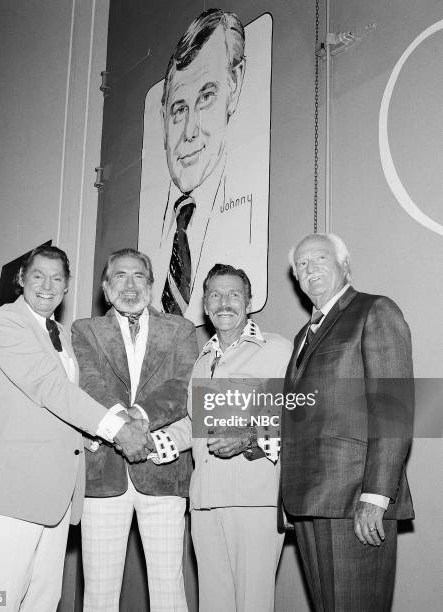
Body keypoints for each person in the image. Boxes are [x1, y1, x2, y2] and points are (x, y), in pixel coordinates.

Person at [0, 245, 148, 612]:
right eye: (38, 276)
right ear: (21, 280)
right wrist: (118, 430)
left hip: (56, 496)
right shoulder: (4, 323)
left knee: (44, 602)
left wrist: (98, 438)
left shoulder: (62, 334)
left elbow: (62, 412)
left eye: (57, 278)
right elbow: (50, 388)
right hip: (11, 493)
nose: (47, 285)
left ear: (66, 288)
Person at [281, 233, 414, 612]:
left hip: (355, 500)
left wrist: (375, 497)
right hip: (311, 502)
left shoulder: (375, 311)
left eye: (320, 259)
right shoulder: (301, 337)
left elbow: (395, 409)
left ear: (344, 266)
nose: (310, 269)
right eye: (301, 265)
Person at [159, 264, 292, 612]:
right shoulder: (202, 361)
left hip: (255, 501)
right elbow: (194, 424)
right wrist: (153, 442)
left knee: (253, 605)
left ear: (248, 301)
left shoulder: (277, 350)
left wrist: (249, 435)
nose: (225, 302)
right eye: (215, 294)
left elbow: (301, 413)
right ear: (205, 306)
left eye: (234, 294)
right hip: (204, 501)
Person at [71, 248, 197, 612]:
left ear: (151, 284)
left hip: (163, 473)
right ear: (106, 288)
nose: (129, 284)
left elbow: (183, 383)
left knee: (168, 591)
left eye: (138, 276)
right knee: (99, 593)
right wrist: (121, 427)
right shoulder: (85, 330)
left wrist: (139, 416)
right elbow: (90, 383)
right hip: (103, 477)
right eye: (120, 277)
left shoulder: (181, 329)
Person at [140, 8, 267, 326]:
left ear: (234, 87)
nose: (190, 131)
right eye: (179, 109)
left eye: (206, 97)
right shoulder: (150, 241)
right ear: (163, 117)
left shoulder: (248, 212)